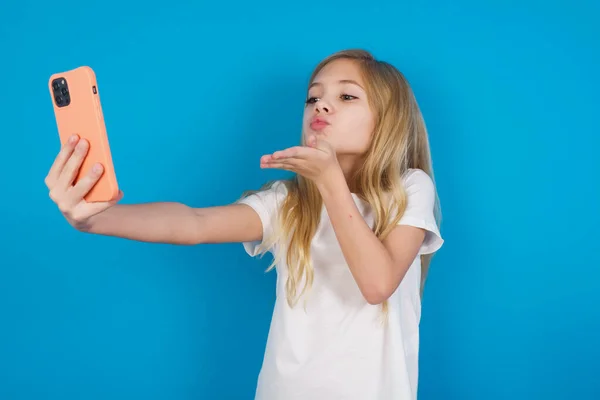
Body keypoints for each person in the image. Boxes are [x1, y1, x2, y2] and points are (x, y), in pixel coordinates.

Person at [45, 49, 444, 400]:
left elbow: (377, 284)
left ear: (388, 122)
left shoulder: (409, 189)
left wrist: (330, 182)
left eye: (346, 96)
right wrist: (95, 218)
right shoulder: (289, 202)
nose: (321, 106)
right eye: (313, 97)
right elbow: (194, 223)